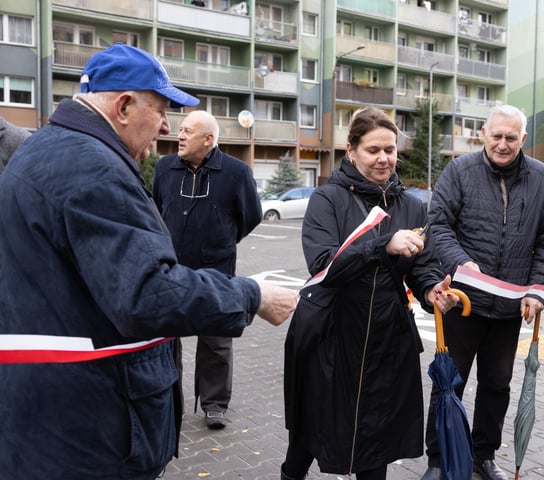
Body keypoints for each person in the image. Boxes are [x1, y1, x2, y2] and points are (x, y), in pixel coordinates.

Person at [0, 43, 297, 479]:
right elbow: (148, 294)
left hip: (53, 416)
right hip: (91, 433)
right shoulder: (92, 167)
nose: (165, 125)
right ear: (123, 106)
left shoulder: (45, 149)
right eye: (160, 109)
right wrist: (251, 295)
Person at [281, 107, 461, 480]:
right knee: (311, 432)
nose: (384, 159)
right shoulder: (326, 199)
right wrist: (383, 245)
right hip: (329, 334)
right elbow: (324, 265)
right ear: (351, 150)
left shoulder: (410, 204)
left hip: (385, 337)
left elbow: (423, 265)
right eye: (373, 150)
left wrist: (431, 292)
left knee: (375, 436)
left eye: (390, 150)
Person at [422, 104, 544, 480]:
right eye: (496, 136)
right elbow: (438, 225)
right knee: (448, 382)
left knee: (497, 385)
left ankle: (484, 455)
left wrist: (536, 290)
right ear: (483, 133)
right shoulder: (459, 171)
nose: (502, 144)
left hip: (510, 308)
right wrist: (460, 263)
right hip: (462, 302)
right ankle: (438, 458)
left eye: (511, 138)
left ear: (523, 139)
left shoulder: (542, 179)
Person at [152, 110, 263, 430]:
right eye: (180, 130)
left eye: (188, 131)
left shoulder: (236, 172)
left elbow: (250, 216)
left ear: (208, 140)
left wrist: (222, 239)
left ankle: (215, 404)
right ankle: (167, 401)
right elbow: (156, 210)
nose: (180, 136)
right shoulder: (164, 168)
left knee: (216, 338)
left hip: (217, 268)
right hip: (170, 266)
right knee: (165, 337)